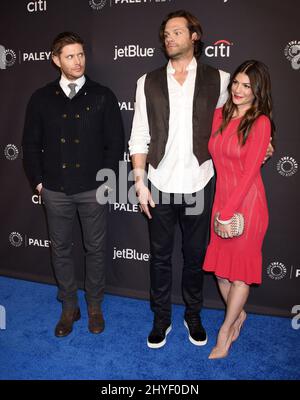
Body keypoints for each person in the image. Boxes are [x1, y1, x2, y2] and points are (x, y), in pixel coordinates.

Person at [129, 9, 232, 349]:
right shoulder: (147, 81)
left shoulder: (220, 79)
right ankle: (161, 319)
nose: (168, 38)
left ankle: (193, 314)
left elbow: (237, 122)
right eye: (165, 34)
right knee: (159, 259)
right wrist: (140, 183)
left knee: (194, 257)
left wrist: (265, 138)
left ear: (194, 36)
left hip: (200, 182)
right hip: (158, 182)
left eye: (176, 32)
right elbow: (140, 135)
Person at [22, 32, 124, 337]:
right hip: (54, 189)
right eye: (70, 56)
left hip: (94, 189)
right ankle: (69, 306)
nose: (77, 61)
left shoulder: (102, 94)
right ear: (56, 60)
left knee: (95, 249)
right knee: (61, 250)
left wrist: (107, 182)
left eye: (80, 54)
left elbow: (115, 142)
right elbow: (30, 144)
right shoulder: (41, 98)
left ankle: (94, 306)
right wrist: (39, 183)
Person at [203, 60, 275, 359]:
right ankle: (239, 314)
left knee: (240, 276)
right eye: (236, 83)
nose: (239, 90)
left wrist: (229, 212)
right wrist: (222, 209)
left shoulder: (261, 122)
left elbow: (248, 175)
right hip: (222, 199)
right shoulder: (219, 115)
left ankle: (225, 332)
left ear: (257, 91)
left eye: (247, 86)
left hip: (248, 204)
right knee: (221, 272)